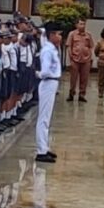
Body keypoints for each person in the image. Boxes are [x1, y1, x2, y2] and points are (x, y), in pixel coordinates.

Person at [35, 28, 63, 162]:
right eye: (57, 33)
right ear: (51, 35)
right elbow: (45, 71)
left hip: (52, 83)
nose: (60, 37)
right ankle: (41, 151)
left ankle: (44, 147)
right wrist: (39, 74)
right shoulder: (47, 50)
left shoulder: (51, 48)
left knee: (47, 117)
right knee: (44, 118)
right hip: (47, 82)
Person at [65, 23, 93, 103]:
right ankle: (71, 93)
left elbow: (91, 46)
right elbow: (69, 45)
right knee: (73, 78)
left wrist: (90, 56)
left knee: (84, 78)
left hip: (86, 59)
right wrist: (71, 56)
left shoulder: (88, 35)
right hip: (75, 59)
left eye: (84, 24)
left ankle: (82, 94)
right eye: (80, 24)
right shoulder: (72, 34)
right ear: (76, 25)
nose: (83, 26)